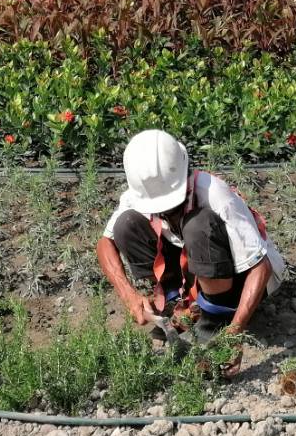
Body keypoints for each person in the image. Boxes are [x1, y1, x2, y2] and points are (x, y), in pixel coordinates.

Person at [96, 129, 286, 340]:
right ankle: (179, 303)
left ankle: (214, 318)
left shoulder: (214, 194)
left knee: (198, 225)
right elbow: (105, 243)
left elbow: (261, 267)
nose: (167, 211)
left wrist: (234, 336)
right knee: (127, 224)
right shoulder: (141, 192)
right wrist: (128, 295)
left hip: (243, 280)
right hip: (195, 267)